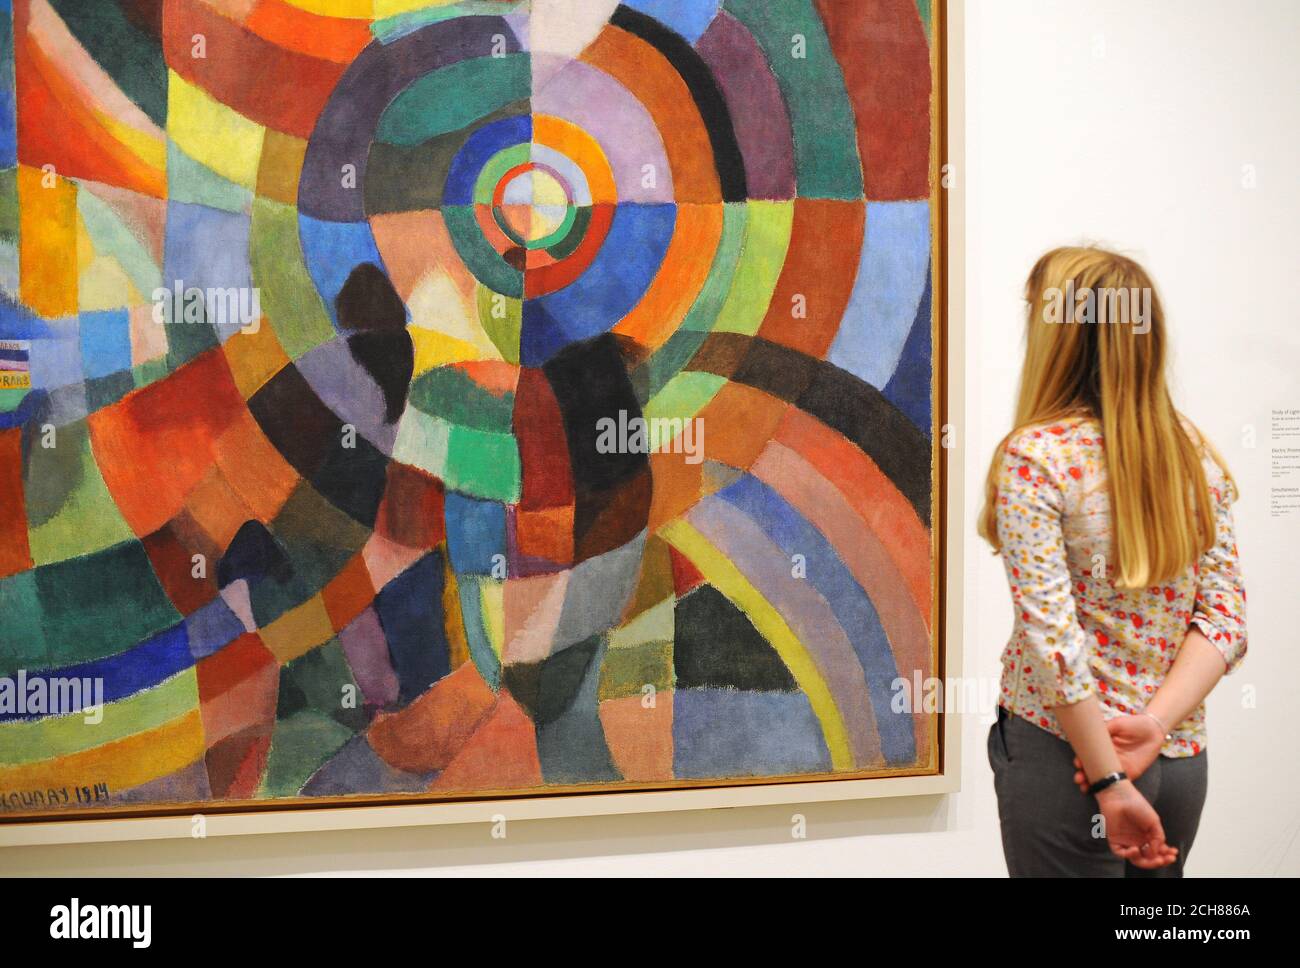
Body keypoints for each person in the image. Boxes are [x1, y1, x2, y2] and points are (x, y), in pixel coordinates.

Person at [979, 245, 1247, 877]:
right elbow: (1226, 621)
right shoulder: (1195, 456)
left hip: (1067, 761)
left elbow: (1055, 647)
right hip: (1177, 758)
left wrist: (1107, 781)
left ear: (1060, 337)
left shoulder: (1036, 456)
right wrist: (1154, 725)